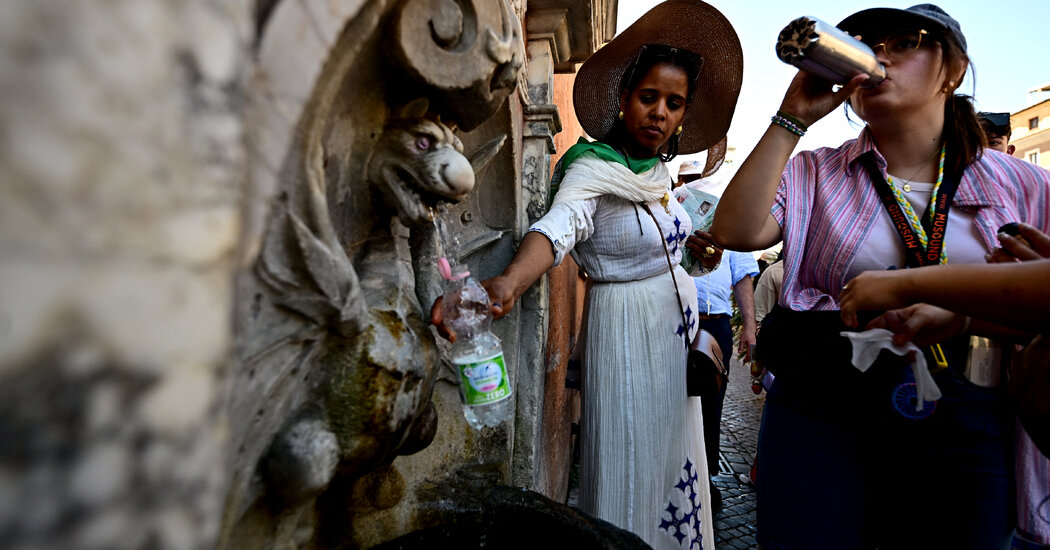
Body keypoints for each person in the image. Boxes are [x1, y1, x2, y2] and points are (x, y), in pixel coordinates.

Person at [710, 4, 1050, 549]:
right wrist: (792, 114)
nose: (880, 55)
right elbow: (734, 229)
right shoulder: (814, 170)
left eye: (904, 41)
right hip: (825, 410)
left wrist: (961, 312)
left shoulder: (1025, 186)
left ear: (953, 70)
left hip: (968, 413)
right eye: (865, 43)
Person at [433, 2, 743, 548]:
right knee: (631, 464)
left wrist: (695, 252)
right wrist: (506, 284)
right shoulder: (592, 168)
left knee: (675, 466)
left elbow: (656, 251)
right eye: (649, 98)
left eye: (674, 104)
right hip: (626, 338)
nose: (660, 114)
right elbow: (558, 229)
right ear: (623, 99)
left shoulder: (658, 172)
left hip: (676, 352)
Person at [688, 231, 758, 511]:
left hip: (716, 325)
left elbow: (743, 277)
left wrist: (750, 329)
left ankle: (705, 478)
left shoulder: (734, 224)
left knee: (711, 403)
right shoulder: (677, 206)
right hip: (674, 318)